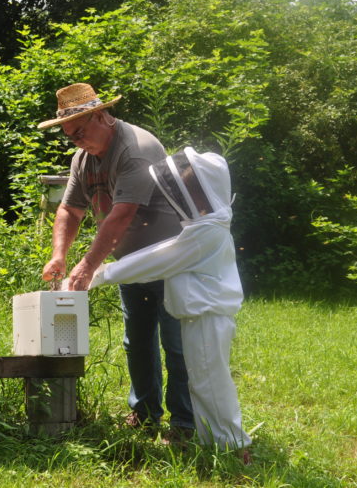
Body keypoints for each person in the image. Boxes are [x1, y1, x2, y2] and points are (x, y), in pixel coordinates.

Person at [38, 83, 195, 435]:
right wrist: (59, 256)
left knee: (176, 342)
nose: (76, 141)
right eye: (69, 136)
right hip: (131, 263)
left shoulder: (135, 150)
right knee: (137, 340)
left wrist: (88, 265)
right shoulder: (83, 158)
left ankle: (185, 424)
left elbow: (122, 215)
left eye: (79, 132)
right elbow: (70, 209)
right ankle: (144, 415)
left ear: (100, 116)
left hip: (170, 258)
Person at [89, 147, 252, 460]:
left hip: (207, 318)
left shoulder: (207, 231)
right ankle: (213, 443)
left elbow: (158, 259)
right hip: (200, 318)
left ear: (204, 194)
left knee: (210, 385)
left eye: (189, 191)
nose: (185, 197)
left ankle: (235, 447)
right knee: (203, 384)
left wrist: (101, 274)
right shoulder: (205, 227)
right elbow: (162, 252)